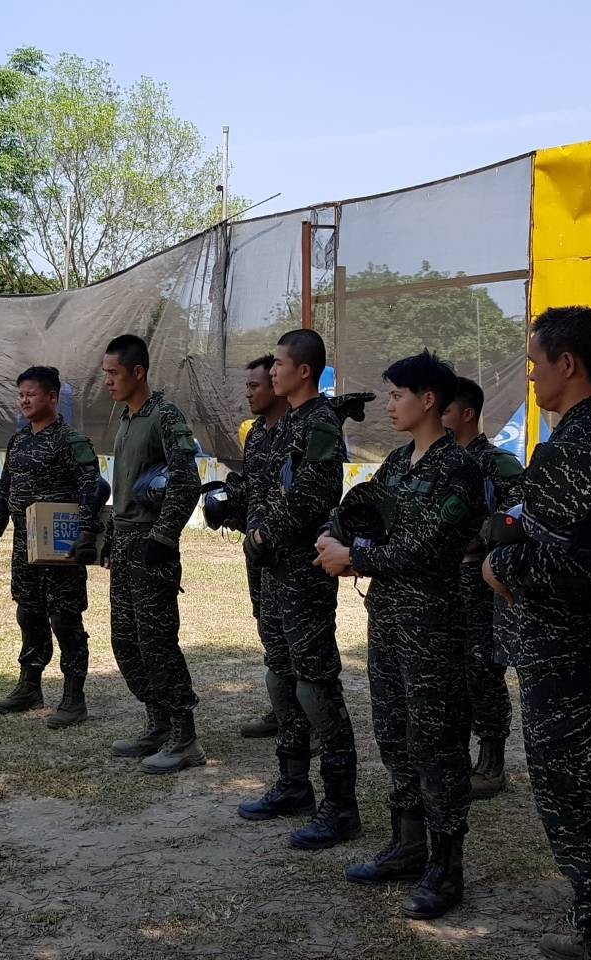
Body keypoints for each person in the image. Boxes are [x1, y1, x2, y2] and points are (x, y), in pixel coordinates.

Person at [482, 307, 591, 960]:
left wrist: (501, 564)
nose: (531, 372)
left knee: (582, 809)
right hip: (581, 657)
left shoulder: (579, 446)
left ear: (567, 364)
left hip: (576, 664)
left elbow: (573, 562)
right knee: (587, 806)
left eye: (535, 361)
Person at [318, 351, 484, 919]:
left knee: (438, 745)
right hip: (388, 623)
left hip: (433, 627)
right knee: (394, 734)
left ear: (428, 400)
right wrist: (336, 538)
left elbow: (426, 547)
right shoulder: (397, 463)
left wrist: (355, 556)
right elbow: (363, 513)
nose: (388, 404)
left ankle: (446, 866)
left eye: (396, 395)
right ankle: (407, 845)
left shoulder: (457, 469)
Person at [238, 328, 361, 851]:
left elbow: (315, 495)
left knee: (315, 683)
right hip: (272, 571)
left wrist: (266, 530)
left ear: (303, 371)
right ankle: (293, 784)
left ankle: (340, 806)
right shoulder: (279, 425)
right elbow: (263, 489)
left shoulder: (319, 425)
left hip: (304, 574)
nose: (271, 374)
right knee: (281, 675)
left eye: (280, 365)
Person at [101, 335, 205, 774]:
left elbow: (186, 483)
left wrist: (161, 540)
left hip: (150, 548)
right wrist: (108, 537)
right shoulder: (126, 418)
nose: (107, 381)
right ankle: (158, 723)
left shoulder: (165, 416)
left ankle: (185, 738)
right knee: (126, 642)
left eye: (113, 373)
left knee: (157, 643)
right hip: (123, 545)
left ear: (137, 372)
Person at [0, 366, 103, 727]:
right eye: (21, 395)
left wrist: (88, 534)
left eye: (32, 394)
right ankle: (29, 686)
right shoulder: (18, 441)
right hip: (24, 546)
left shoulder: (71, 441)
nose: (25, 401)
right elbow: (5, 489)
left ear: (52, 397)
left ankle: (74, 697)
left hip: (61, 548)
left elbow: (91, 488)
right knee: (28, 614)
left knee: (65, 620)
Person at [440, 377, 522, 800]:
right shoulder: (438, 462)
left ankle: (491, 761)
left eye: (446, 409)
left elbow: (520, 519)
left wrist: (479, 537)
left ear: (467, 413)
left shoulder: (498, 464)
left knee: (482, 672)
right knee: (447, 673)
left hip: (481, 585)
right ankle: (456, 754)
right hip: (442, 586)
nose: (439, 417)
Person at [233, 355, 290, 740]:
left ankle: (308, 722)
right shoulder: (255, 435)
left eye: (255, 386)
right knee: (268, 628)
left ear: (275, 385)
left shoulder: (297, 432)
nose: (249, 393)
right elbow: (253, 491)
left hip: (290, 555)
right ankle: (282, 707)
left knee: (296, 636)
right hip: (256, 552)